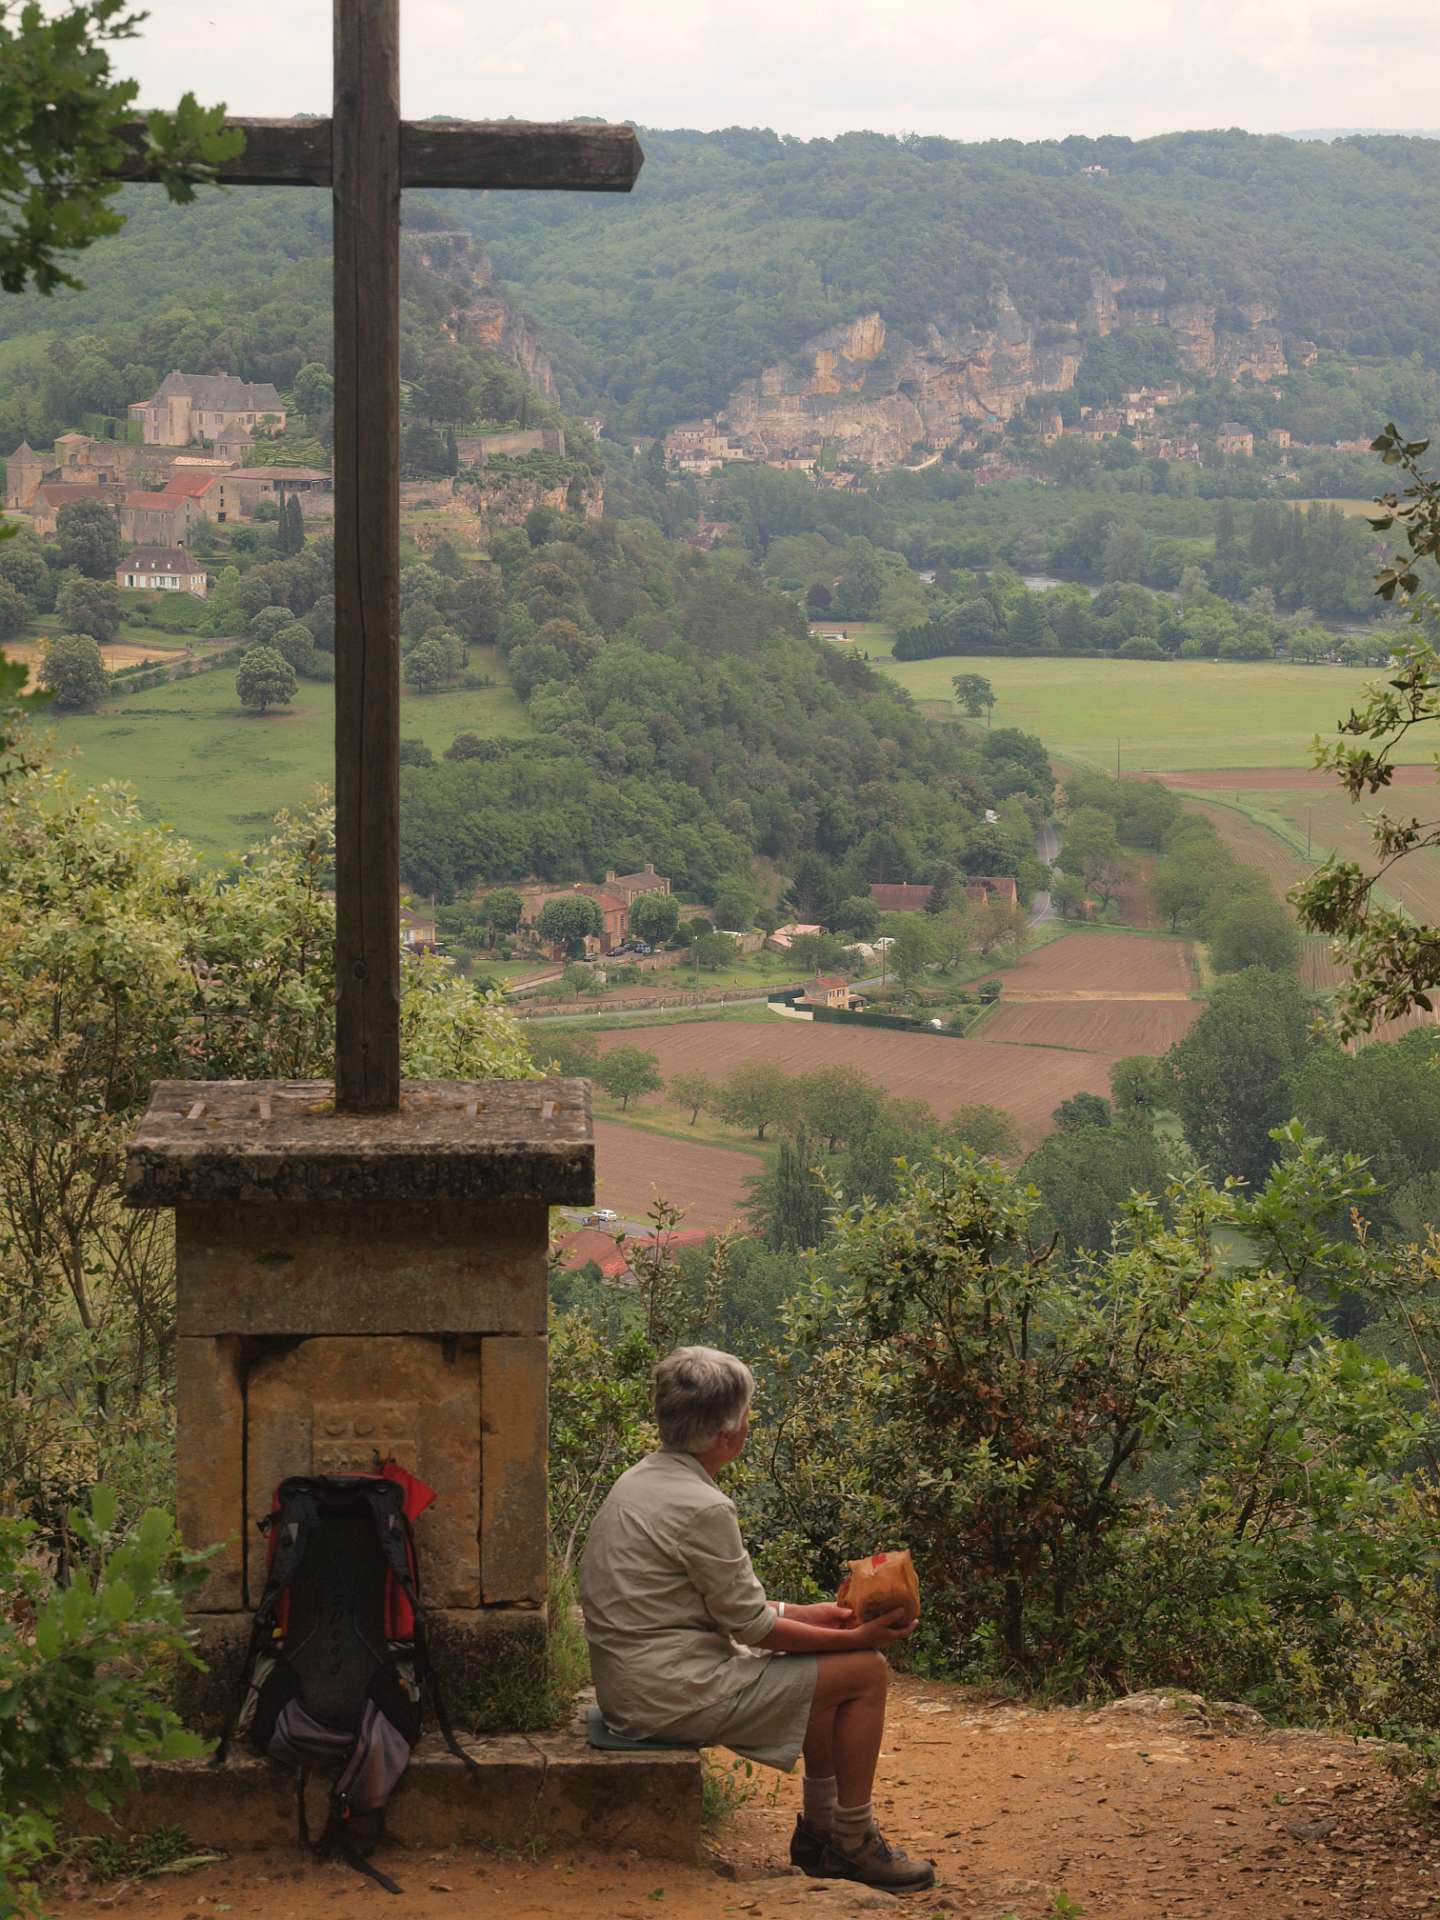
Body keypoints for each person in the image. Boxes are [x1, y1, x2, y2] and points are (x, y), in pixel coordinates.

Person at [579, 1345, 935, 1893]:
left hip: (636, 1682)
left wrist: (814, 1616)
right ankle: (853, 1840)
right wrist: (859, 1637)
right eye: (746, 1414)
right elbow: (752, 1628)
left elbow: (721, 1605)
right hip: (667, 1695)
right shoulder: (704, 1507)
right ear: (727, 1435)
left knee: (822, 1664)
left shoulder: (642, 1479)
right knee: (865, 1671)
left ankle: (821, 1831)